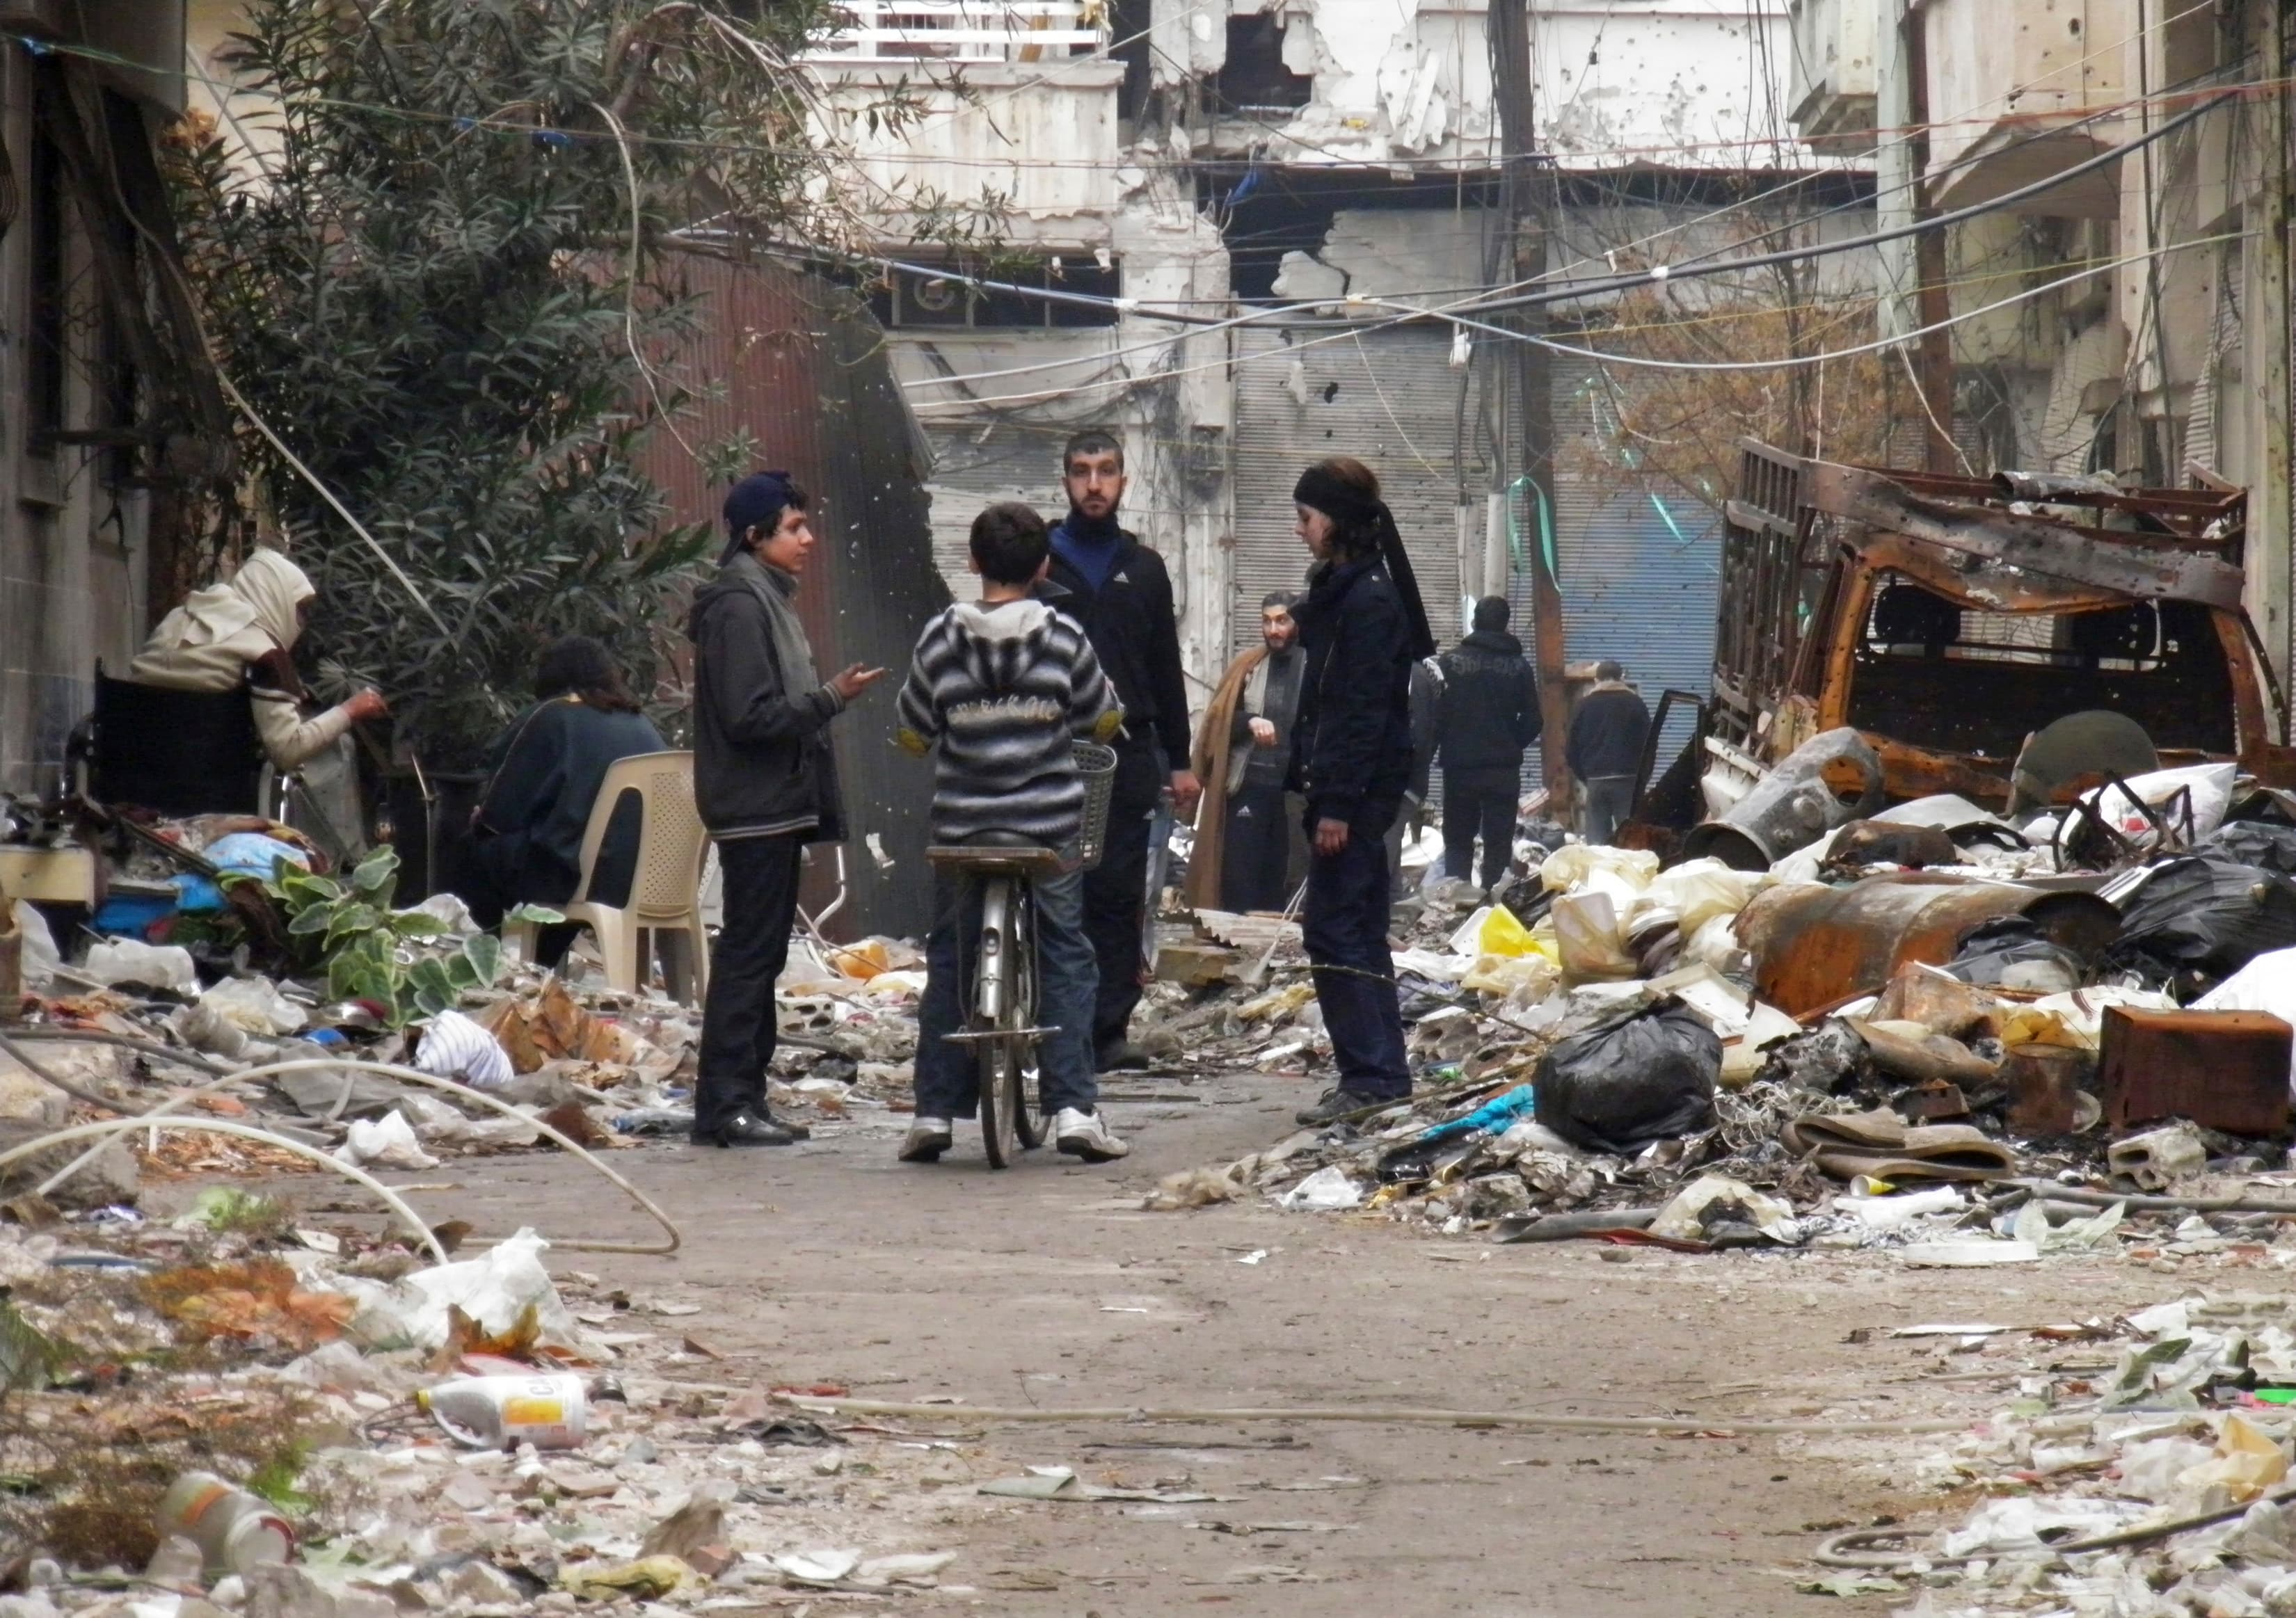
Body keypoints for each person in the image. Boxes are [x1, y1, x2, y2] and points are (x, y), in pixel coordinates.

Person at [893, 502, 1129, 1164]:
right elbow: (1101, 720)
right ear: (1044, 566)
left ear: (972, 562)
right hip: (1047, 831)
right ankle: (1076, 1108)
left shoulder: (939, 638)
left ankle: (933, 1113)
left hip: (964, 830)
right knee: (1066, 955)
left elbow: (913, 731)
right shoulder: (1063, 636)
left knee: (951, 959)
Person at [687, 472, 883, 1148]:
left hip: (770, 806)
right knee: (748, 954)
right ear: (755, 535)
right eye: (794, 528)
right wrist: (830, 698)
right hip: (754, 807)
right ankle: (725, 1104)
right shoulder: (741, 607)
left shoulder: (765, 597)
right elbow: (751, 715)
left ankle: (746, 1097)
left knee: (761, 953)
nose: (807, 540)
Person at [1285, 456, 1437, 1127]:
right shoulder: (1354, 592)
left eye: (1307, 518)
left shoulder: (1369, 602)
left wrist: (1339, 805)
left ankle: (1371, 1076)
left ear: (1334, 523)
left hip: (1355, 797)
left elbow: (1360, 710)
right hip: (1354, 791)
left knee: (1337, 933)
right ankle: (1379, 1073)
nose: (1300, 532)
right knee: (1357, 932)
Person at [1044, 429, 1199, 1072]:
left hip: (1128, 752)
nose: (1095, 484)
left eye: (1106, 471)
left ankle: (1107, 1031)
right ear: (1066, 482)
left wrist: (1182, 760)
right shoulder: (1041, 562)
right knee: (1054, 891)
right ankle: (1052, 1025)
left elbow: (1165, 665)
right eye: (1082, 472)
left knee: (1115, 894)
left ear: (1124, 480)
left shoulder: (1145, 569)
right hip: (1050, 748)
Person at [460, 636, 667, 966]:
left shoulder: (551, 717)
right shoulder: (642, 724)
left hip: (572, 878)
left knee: (474, 849)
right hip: (645, 880)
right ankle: (542, 961)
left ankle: (484, 966)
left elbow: (499, 815)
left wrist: (479, 820)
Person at [129, 547, 388, 771]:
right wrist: (350, 711)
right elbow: (288, 750)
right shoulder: (266, 654)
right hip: (208, 786)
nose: (301, 622)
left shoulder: (179, 617)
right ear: (275, 599)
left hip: (129, 766)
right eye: (299, 609)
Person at [1188, 593, 1305, 914]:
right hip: (1249, 787)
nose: (1274, 629)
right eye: (1267, 621)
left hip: (1295, 795)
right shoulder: (1248, 666)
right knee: (1239, 882)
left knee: (1286, 881)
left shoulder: (1313, 664)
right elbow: (1219, 721)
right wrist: (1250, 720)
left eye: (1282, 620)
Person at [1435, 597, 1541, 893]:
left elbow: (1436, 715)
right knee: (1498, 842)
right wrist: (1510, 743)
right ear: (1505, 624)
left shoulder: (1450, 663)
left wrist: (1449, 742)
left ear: (1475, 622)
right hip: (1502, 771)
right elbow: (1534, 719)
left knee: (1457, 840)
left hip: (1460, 768)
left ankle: (1455, 904)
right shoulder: (1519, 667)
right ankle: (1494, 906)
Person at [1568, 660, 1652, 846]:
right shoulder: (1636, 704)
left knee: (1597, 843)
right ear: (1622, 678)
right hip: (1629, 779)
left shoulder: (1584, 706)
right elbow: (1649, 744)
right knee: (1631, 841)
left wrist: (1587, 776)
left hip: (1596, 780)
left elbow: (1571, 749)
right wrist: (1642, 777)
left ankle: (1599, 873)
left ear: (1597, 680)